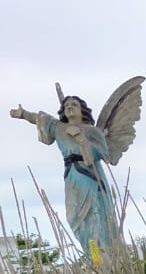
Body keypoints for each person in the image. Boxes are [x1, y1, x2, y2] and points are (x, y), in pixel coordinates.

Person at [10, 96, 120, 253]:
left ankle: (104, 256)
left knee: (95, 217)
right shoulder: (59, 128)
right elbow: (39, 118)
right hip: (71, 177)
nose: (69, 107)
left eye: (74, 104)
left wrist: (81, 139)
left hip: (90, 178)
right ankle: (92, 256)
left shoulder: (92, 131)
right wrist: (23, 114)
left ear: (82, 110)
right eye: (67, 105)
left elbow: (104, 152)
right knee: (76, 219)